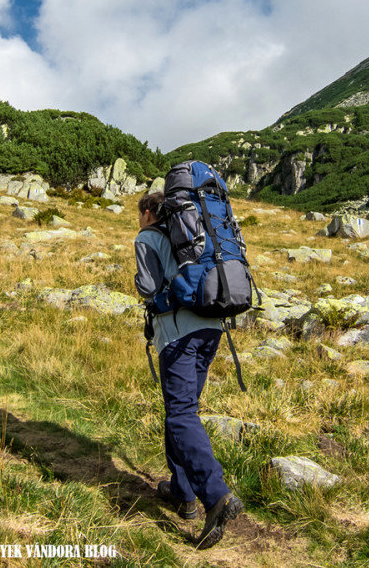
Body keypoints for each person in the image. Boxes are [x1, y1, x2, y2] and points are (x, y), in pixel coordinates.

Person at [134, 191, 243, 550]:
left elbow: (149, 288)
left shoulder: (147, 236)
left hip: (177, 334)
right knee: (184, 411)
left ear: (148, 212)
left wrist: (142, 285)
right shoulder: (196, 236)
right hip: (212, 326)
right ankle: (182, 494)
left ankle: (216, 497)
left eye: (139, 214)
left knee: (180, 414)